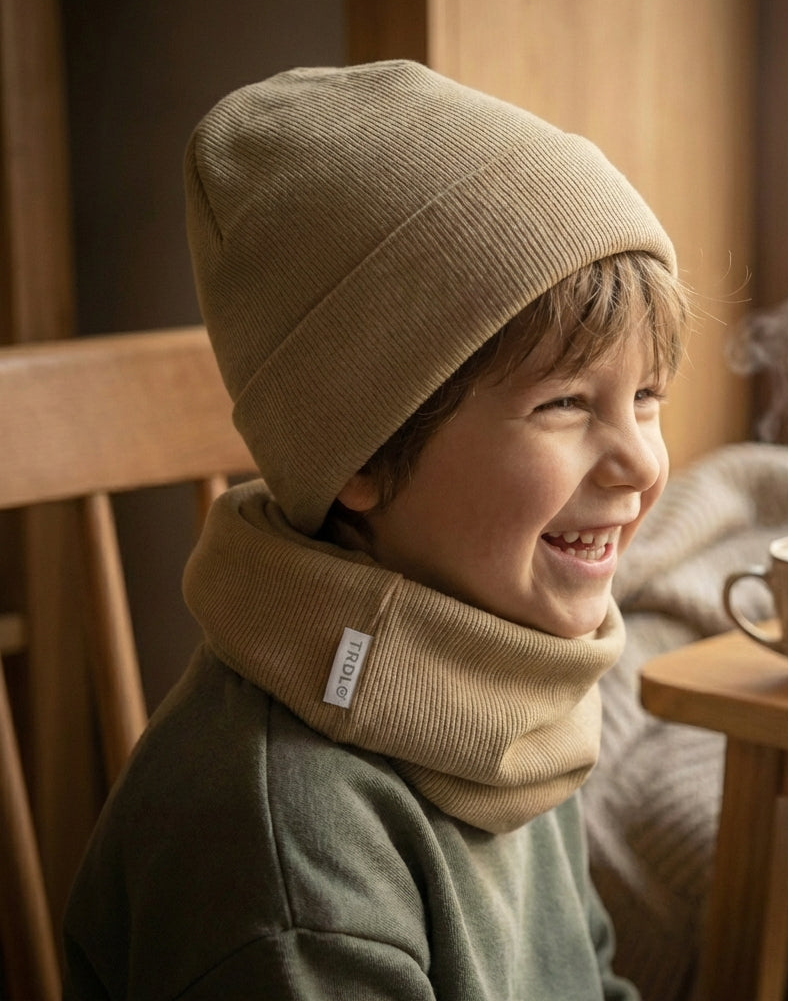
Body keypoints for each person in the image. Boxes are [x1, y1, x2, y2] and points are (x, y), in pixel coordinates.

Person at [63, 60, 688, 1000]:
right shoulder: (289, 865)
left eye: (646, 396)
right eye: (563, 403)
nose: (639, 461)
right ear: (359, 450)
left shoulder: (507, 692)